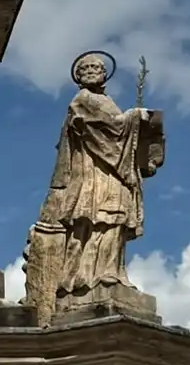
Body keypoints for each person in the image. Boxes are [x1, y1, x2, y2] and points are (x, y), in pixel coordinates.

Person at [25, 51, 164, 320]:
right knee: (95, 220)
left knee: (115, 221)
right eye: (84, 68)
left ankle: (111, 273)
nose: (90, 70)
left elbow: (116, 129)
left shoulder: (105, 100)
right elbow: (105, 130)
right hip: (94, 172)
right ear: (78, 77)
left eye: (95, 67)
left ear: (104, 73)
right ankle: (86, 278)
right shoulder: (82, 100)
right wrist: (135, 117)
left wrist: (136, 125)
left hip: (110, 172)